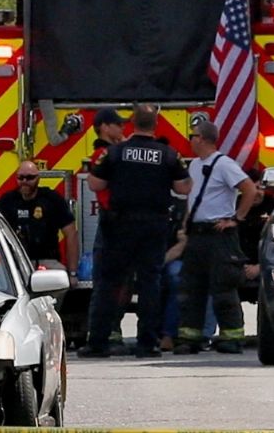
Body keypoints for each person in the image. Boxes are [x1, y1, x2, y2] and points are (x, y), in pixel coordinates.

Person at [79, 104, 191, 358]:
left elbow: (95, 183)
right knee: (150, 283)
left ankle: (98, 342)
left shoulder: (115, 152)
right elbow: (184, 188)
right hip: (154, 226)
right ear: (156, 125)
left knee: (108, 283)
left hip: (118, 226)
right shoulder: (168, 154)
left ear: (132, 124)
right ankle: (147, 344)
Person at [173, 120, 259, 355]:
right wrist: (186, 227)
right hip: (198, 235)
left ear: (203, 139)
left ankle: (231, 337)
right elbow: (193, 201)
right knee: (192, 287)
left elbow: (249, 189)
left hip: (220, 235)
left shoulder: (224, 165)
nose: (190, 139)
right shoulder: (194, 167)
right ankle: (191, 337)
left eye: (193, 135)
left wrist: (237, 218)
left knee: (223, 286)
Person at [83, 108, 129, 354]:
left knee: (121, 280)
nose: (122, 128)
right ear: (104, 127)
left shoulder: (113, 151)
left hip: (120, 222)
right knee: (107, 280)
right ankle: (106, 330)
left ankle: (110, 329)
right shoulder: (103, 154)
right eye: (118, 124)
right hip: (112, 223)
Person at [0, 161, 79, 279]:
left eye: (29, 178)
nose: (25, 181)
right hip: (17, 263)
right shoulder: (7, 201)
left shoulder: (51, 199)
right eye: (21, 177)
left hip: (49, 262)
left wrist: (72, 273)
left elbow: (71, 233)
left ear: (38, 178)